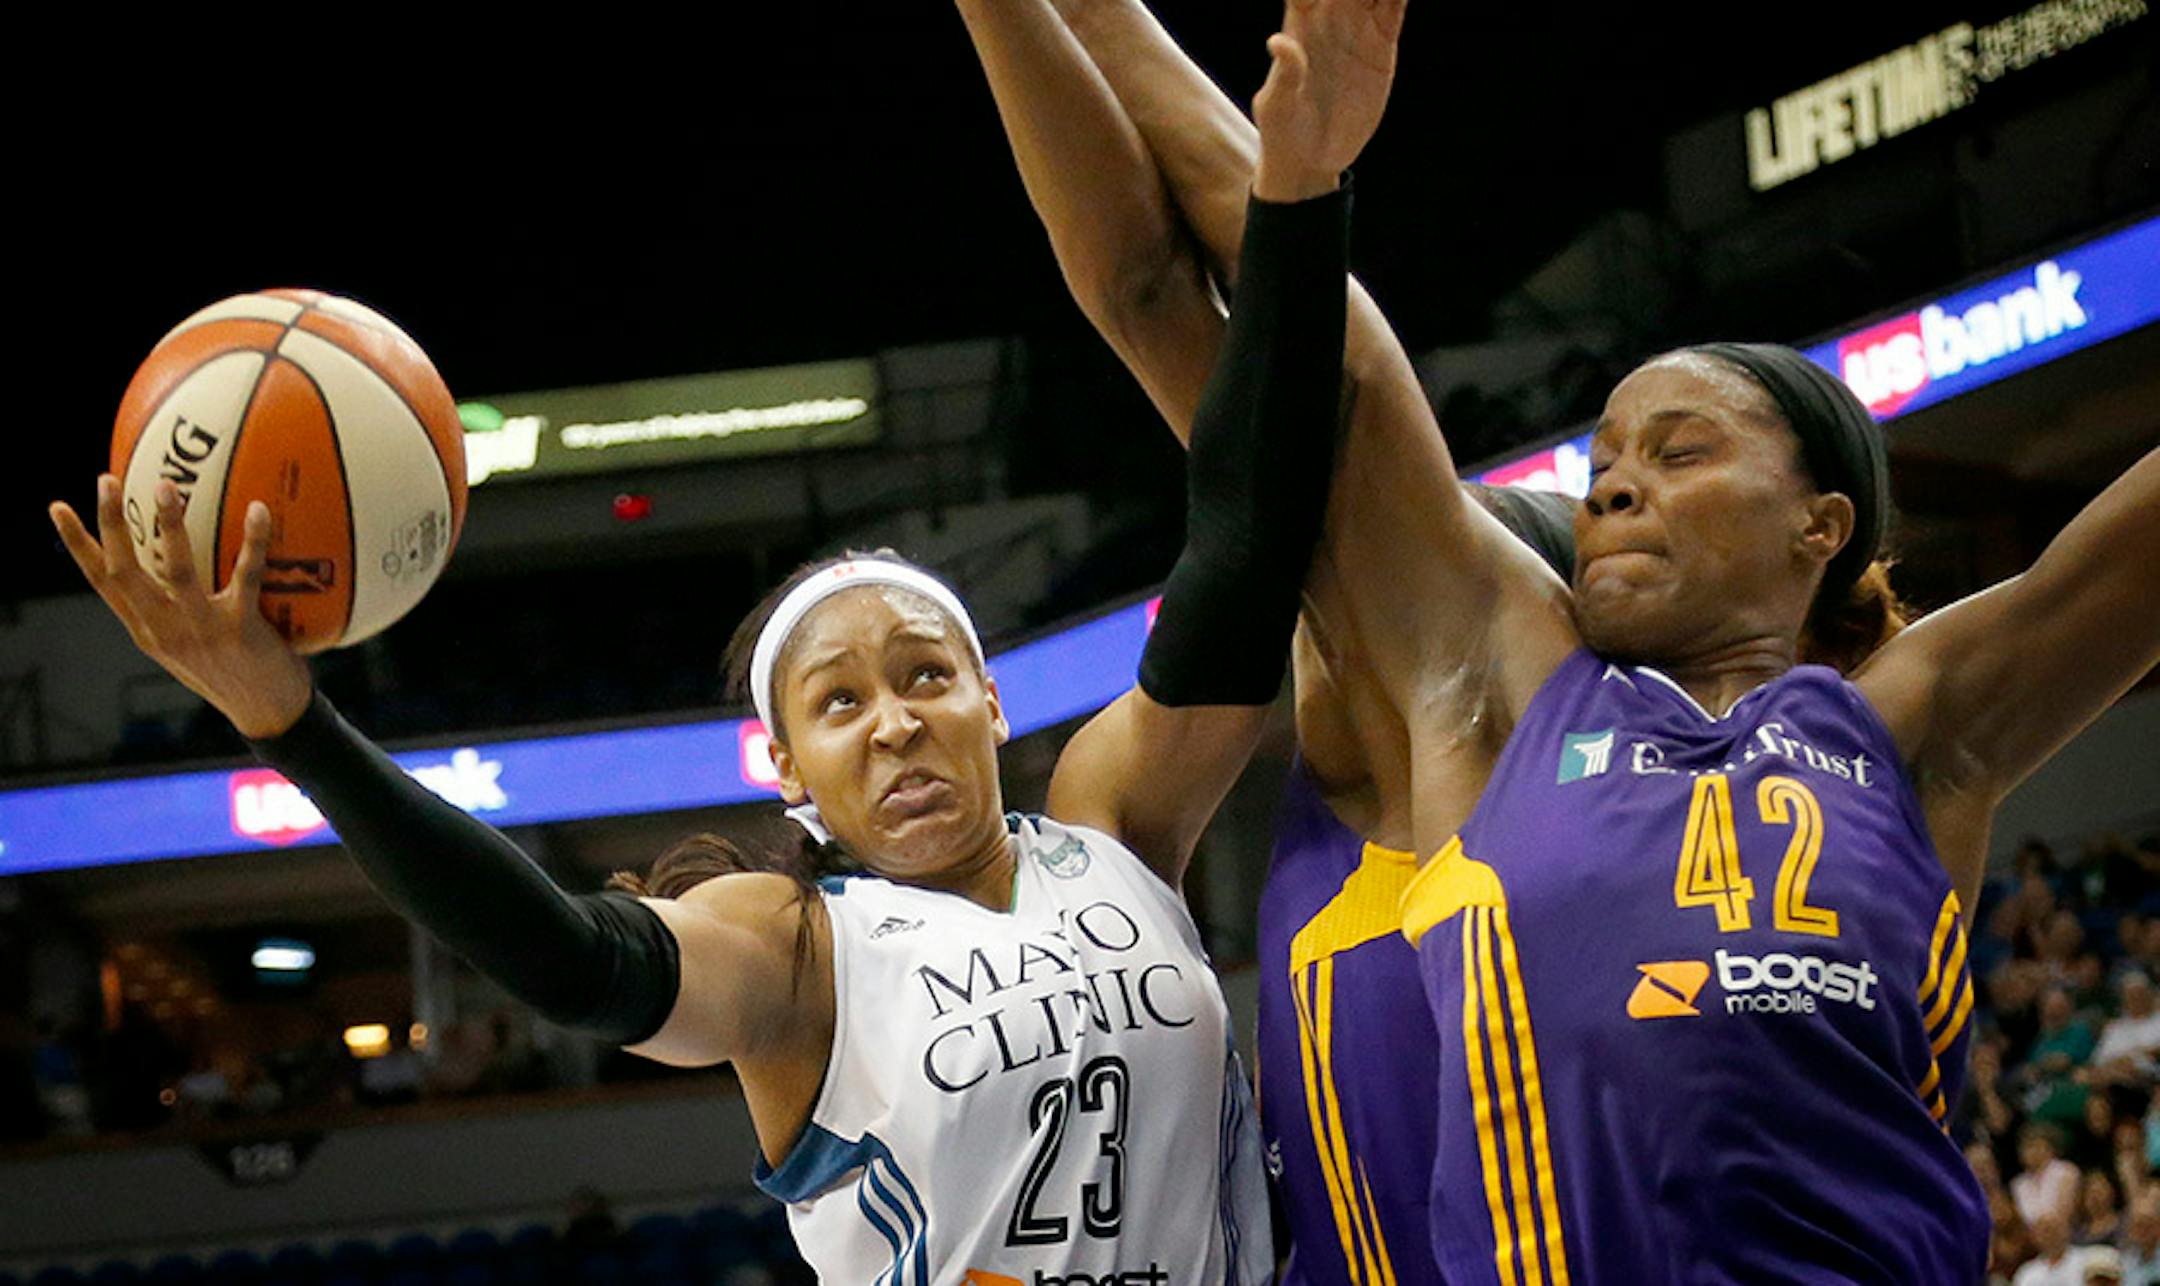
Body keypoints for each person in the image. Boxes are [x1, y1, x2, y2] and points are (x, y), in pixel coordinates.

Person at [44, 31, 1353, 1269]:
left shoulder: (1109, 822)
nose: (893, 717)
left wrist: (1295, 202)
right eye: (839, 701)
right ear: (787, 765)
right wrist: (293, 724)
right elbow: (576, 960)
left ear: (988, 701)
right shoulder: (797, 946)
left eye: (924, 673)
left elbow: (1241, 555)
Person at [1003, 0, 2160, 1279]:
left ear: (1819, 523)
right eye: (1605, 459)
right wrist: (1304, 166)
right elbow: (1312, 367)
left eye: (1680, 452)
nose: (1615, 482)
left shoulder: (1912, 730)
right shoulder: (1511, 696)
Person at [958, 3, 1571, 1281]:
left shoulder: (1489, 700)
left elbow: (1297, 370)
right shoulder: (1358, 765)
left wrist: (1298, 178)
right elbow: (1149, 303)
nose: (1322, 610)